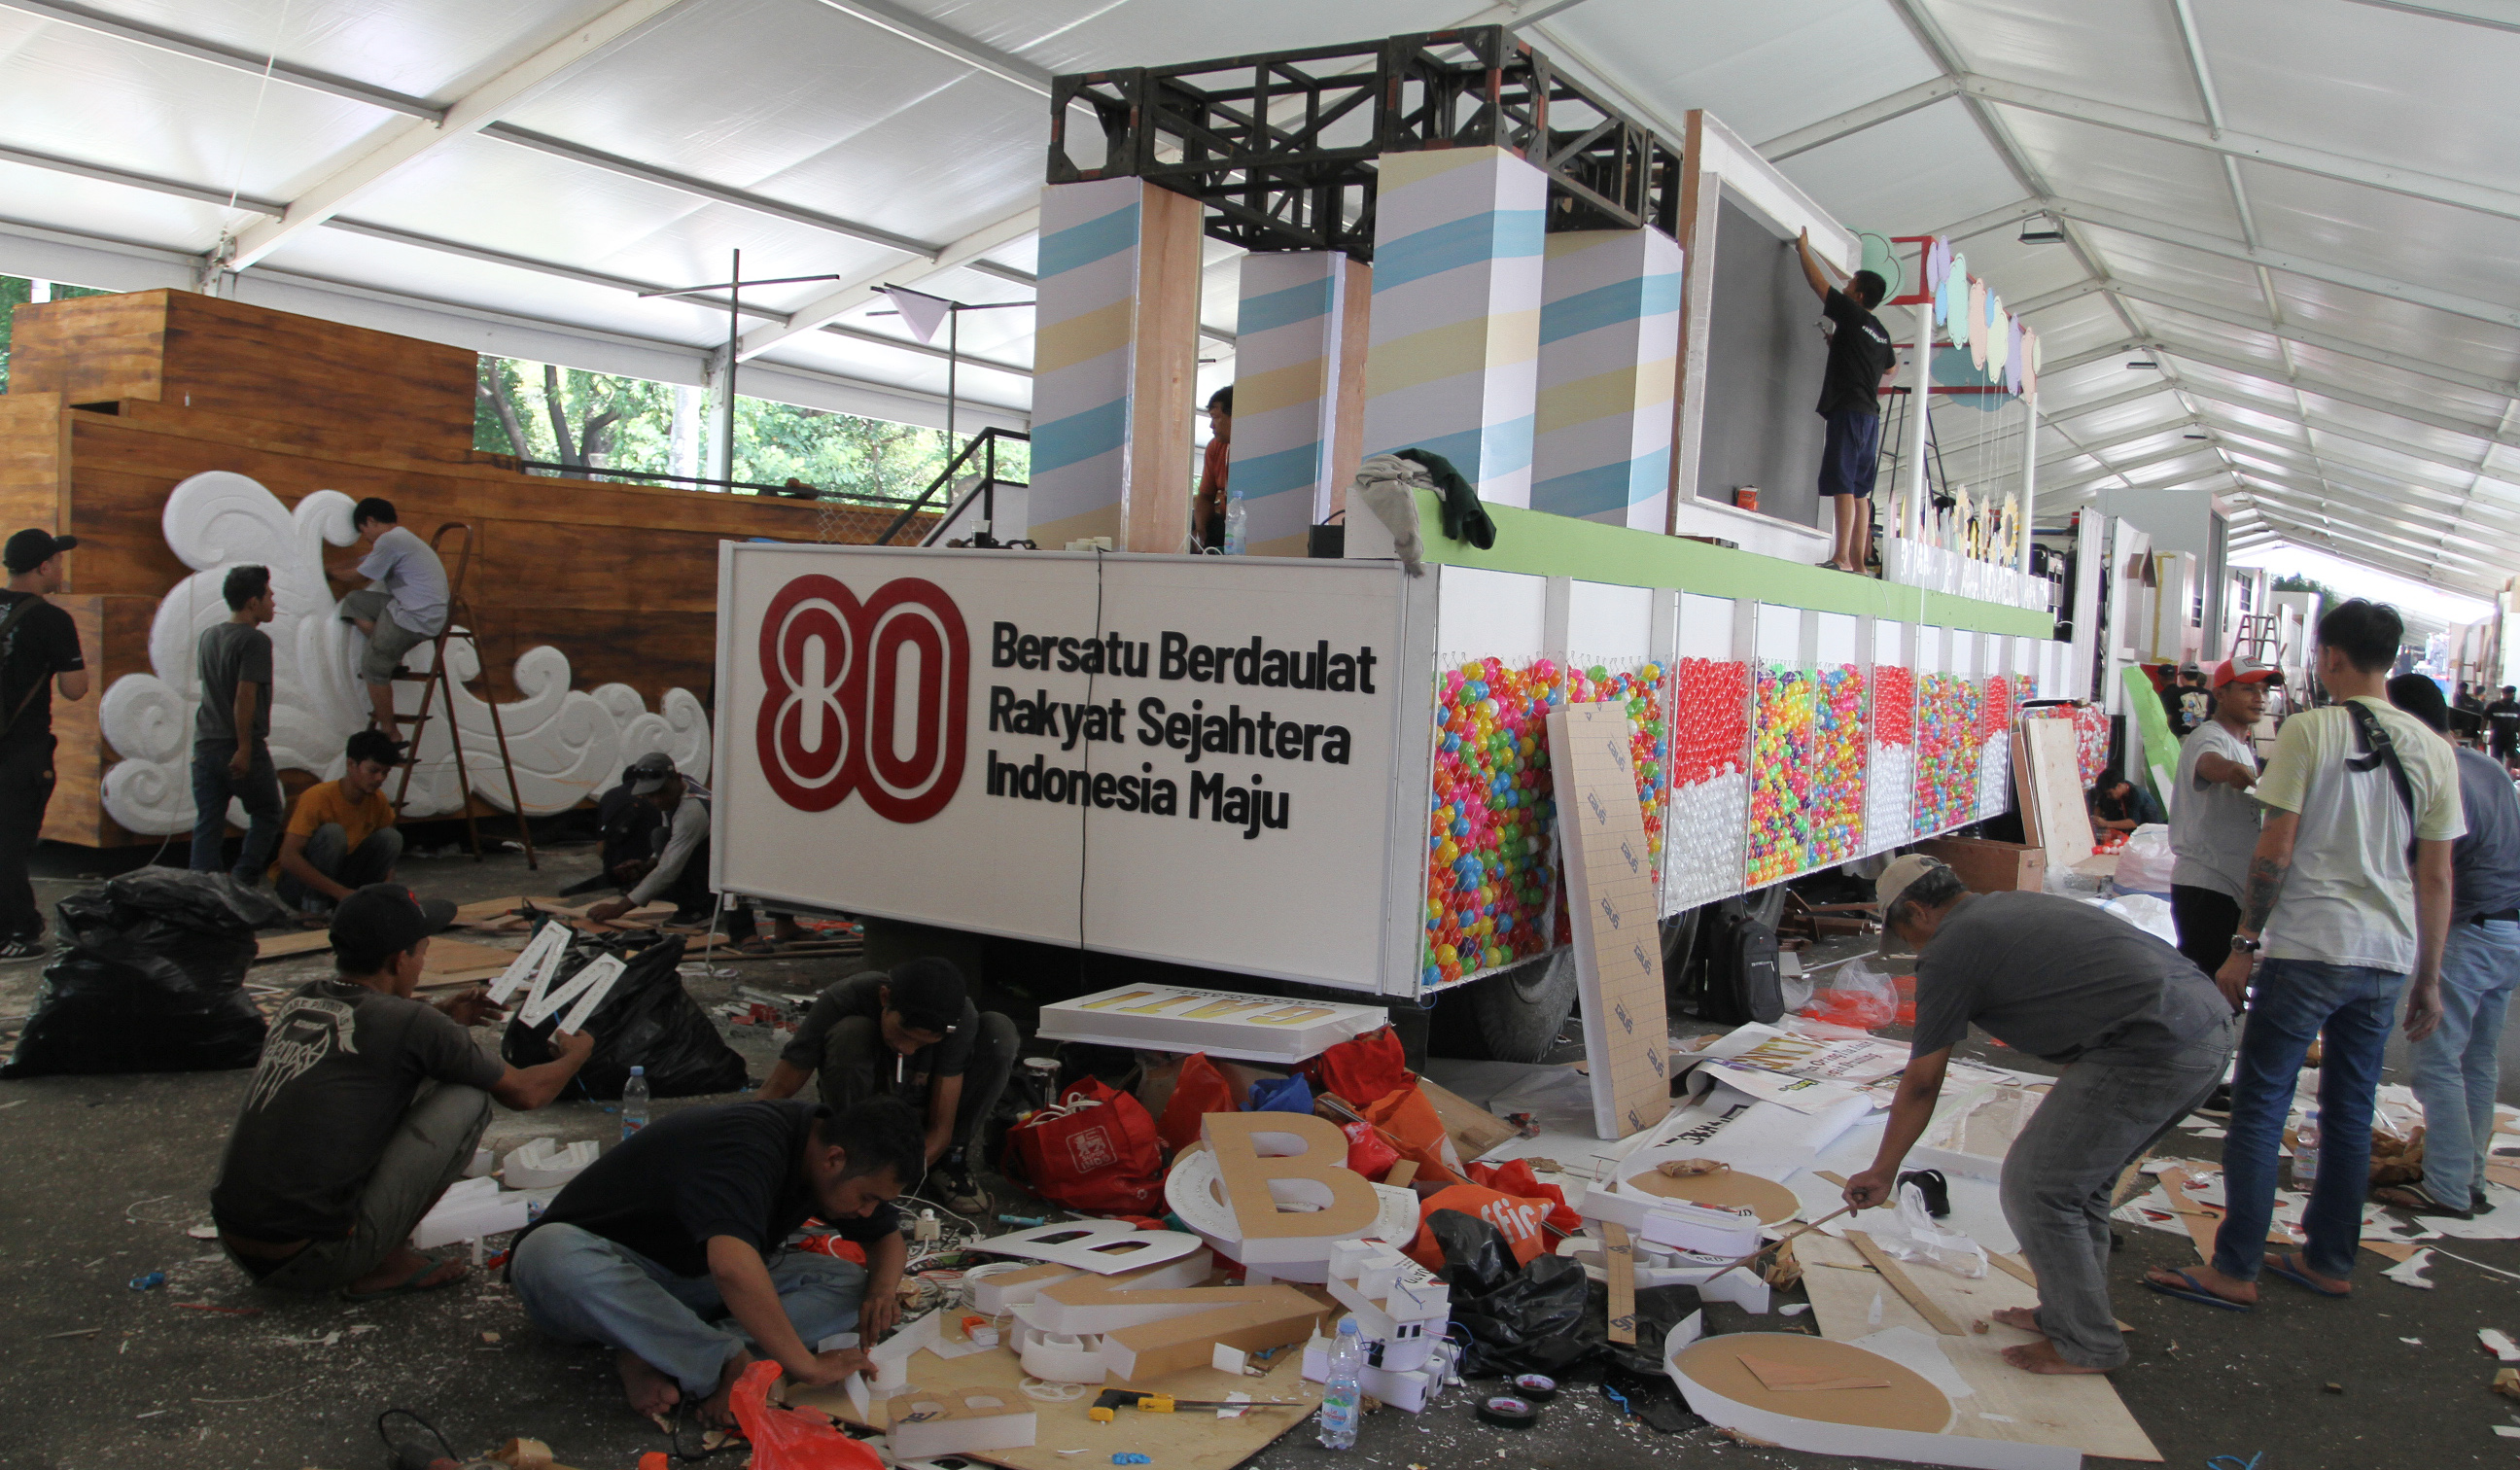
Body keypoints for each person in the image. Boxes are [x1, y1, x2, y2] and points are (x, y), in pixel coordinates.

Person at [2148, 599, 2460, 1309]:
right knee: (2350, 1112)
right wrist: (2429, 977)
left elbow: (2276, 847)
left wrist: (2244, 944)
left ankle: (2236, 1267)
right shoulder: (2436, 749)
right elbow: (2437, 875)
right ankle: (2328, 1259)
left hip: (2310, 945)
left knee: (2261, 1105)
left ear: (2331, 658)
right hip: (2386, 955)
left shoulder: (2309, 731)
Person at [1845, 856, 2234, 1375]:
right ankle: (2069, 1316)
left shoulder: (1951, 950)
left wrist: (1883, 1169)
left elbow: (1922, 1082)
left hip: (2155, 1045)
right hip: (2201, 1028)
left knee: (2037, 1187)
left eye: (1905, 935)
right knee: (2078, 1186)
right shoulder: (2007, 908)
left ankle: (2087, 1342)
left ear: (1917, 911)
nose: (1913, 951)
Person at [209, 884, 593, 1297]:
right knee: (468, 1097)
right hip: (314, 1260)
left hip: (239, 1244)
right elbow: (526, 1093)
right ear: (398, 960)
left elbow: (377, 1032)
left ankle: (361, 1247)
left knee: (392, 1082)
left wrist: (443, 1015)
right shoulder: (412, 1025)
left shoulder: (302, 1001)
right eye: (422, 952)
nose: (422, 963)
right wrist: (577, 1054)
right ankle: (383, 1264)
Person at [508, 1097, 922, 1428]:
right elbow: (731, 1268)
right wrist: (807, 1366)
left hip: (687, 1281)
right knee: (549, 1252)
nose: (868, 1212)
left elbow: (886, 1238)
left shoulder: (827, 1154)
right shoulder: (750, 1143)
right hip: (609, 1271)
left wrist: (882, 1292)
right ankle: (726, 1361)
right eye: (867, 1198)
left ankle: (660, 1349)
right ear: (834, 1159)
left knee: (851, 1284)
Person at [2381, 674, 2520, 1219]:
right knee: (2477, 1060)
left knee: (2435, 1058)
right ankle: (2471, 1178)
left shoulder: (2439, 775)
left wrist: (2428, 976)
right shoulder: (2489, 768)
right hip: (2509, 929)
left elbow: (2435, 877)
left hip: (2470, 931)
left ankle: (2447, 1185)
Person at [758, 959, 1017, 1214]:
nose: (907, 1048)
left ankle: (949, 1163)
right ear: (885, 997)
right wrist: (741, 1140)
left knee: (999, 1033)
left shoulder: (960, 1019)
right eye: (903, 1035)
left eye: (922, 1043)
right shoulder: (846, 997)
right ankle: (852, 1156)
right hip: (866, 1108)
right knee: (851, 1032)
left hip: (921, 1111)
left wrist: (904, 1170)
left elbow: (941, 1127)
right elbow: (779, 1087)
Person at [586, 752, 794, 950]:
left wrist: (618, 909)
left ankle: (730, 925)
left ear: (675, 778)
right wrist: (648, 865)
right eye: (650, 796)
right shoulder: (679, 791)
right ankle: (782, 926)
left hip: (747, 853)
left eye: (661, 793)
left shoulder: (692, 811)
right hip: (724, 850)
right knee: (660, 835)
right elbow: (671, 843)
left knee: (728, 867)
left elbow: (668, 869)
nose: (657, 801)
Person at [0, 530, 84, 960]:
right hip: (23, 750)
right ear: (43, 567)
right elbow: (74, 689)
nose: (62, 568)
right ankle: (18, 931)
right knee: (12, 843)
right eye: (58, 559)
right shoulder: (52, 619)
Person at [2168, 656, 2280, 974]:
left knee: (2222, 990)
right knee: (2208, 985)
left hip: (2228, 888)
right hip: (2208, 886)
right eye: (2248, 689)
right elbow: (2210, 764)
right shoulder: (2210, 736)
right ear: (2220, 694)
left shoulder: (2241, 745)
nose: (2259, 698)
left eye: (2263, 690)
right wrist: (2232, 771)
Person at [1794, 228, 1895, 576]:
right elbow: (1892, 368)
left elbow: (1817, 285)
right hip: (1870, 416)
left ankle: (1840, 558)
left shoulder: (1852, 315)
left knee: (1842, 485)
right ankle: (1859, 564)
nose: (1846, 287)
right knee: (1860, 491)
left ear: (1859, 294)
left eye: (1851, 284)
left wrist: (1802, 250)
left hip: (1849, 411)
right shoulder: (1880, 330)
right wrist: (1847, 350)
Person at [191, 565, 285, 886]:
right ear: (253, 603)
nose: (274, 601)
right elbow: (245, 695)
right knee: (268, 811)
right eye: (269, 595)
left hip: (205, 744)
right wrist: (244, 747)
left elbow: (211, 692)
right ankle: (243, 881)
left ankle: (203, 890)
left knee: (209, 822)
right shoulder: (255, 641)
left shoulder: (209, 636)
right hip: (239, 746)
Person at [333, 498, 448, 741]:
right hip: (421, 612)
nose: (365, 537)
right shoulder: (401, 538)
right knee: (355, 602)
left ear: (370, 521)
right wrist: (332, 567)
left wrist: (329, 572)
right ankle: (390, 655)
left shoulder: (390, 540)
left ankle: (390, 731)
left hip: (416, 616)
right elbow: (361, 561)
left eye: (363, 530)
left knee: (372, 667)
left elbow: (357, 575)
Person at [275, 729, 404, 913]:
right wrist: (340, 892)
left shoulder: (378, 800)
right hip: (298, 887)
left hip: (341, 880)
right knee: (333, 834)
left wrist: (386, 890)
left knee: (392, 837)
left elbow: (387, 860)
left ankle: (361, 902)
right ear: (351, 764)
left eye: (385, 773)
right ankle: (312, 909)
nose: (380, 779)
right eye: (374, 770)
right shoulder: (317, 797)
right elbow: (288, 858)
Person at [557, 762, 666, 898]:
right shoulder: (656, 797)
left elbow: (600, 847)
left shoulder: (609, 795)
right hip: (648, 868)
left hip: (617, 872)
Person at [1195, 386, 1233, 552]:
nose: (1211, 425)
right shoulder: (1215, 447)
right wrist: (1200, 529)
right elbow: (1205, 496)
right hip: (1224, 525)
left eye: (1215, 418)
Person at [2088, 771, 2165, 832]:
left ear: (2119, 786)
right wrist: (2096, 820)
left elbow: (2133, 822)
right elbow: (2100, 805)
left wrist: (2106, 824)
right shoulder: (2113, 793)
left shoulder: (2137, 794)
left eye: (2110, 793)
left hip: (2148, 833)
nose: (2108, 796)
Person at [2490, 685, 2520, 766]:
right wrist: (2482, 734)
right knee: (2496, 757)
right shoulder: (2494, 706)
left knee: (2512, 756)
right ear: (2504, 694)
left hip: (2511, 736)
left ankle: (2507, 773)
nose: (2512, 697)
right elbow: (2486, 720)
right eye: (2509, 695)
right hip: (2498, 736)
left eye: (2513, 695)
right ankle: (2499, 773)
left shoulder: (2517, 707)